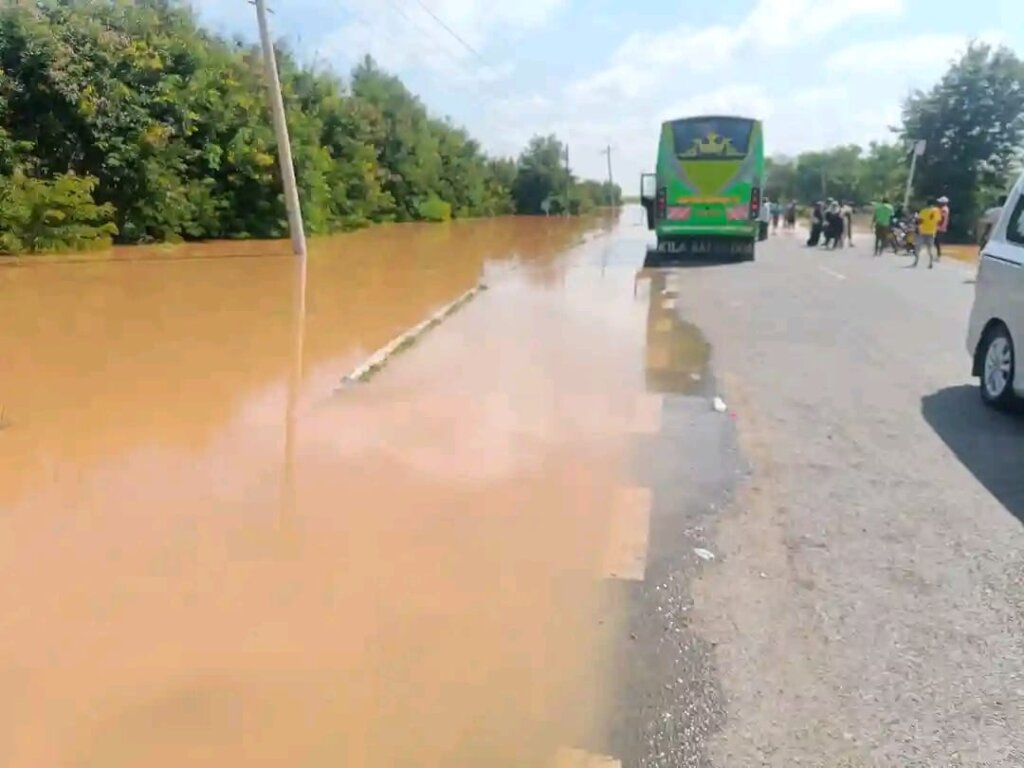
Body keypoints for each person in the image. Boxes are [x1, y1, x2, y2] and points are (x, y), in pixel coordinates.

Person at [915, 198, 942, 268]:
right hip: (932, 232)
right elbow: (938, 221)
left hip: (922, 231)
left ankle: (916, 261)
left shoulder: (924, 211)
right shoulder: (937, 211)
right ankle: (930, 263)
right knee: (930, 248)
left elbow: (920, 221)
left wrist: (917, 224)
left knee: (918, 247)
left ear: (926, 204)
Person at [936, 195, 950, 260]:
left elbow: (942, 218)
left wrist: (938, 225)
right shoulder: (944, 208)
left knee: (937, 241)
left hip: (940, 227)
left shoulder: (944, 209)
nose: (939, 203)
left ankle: (938, 255)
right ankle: (938, 254)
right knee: (937, 241)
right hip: (941, 227)